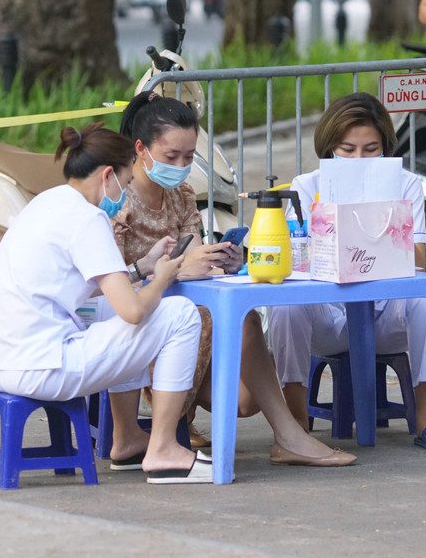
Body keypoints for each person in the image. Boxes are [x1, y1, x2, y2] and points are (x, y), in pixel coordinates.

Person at [108, 91, 356, 468]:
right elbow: (109, 284)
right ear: (140, 149)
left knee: (246, 391)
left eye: (189, 157)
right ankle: (289, 435)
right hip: (141, 323)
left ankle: (283, 435)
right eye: (171, 156)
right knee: (240, 322)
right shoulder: (118, 201)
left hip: (190, 318)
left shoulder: (183, 195)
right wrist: (174, 272)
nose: (180, 165)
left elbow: (193, 255)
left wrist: (220, 260)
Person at [0, 123, 212, 484]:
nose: (126, 191)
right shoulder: (88, 219)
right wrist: (163, 278)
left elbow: (84, 286)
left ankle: (128, 439)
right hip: (43, 367)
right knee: (178, 314)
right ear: (107, 176)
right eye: (126, 182)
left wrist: (141, 269)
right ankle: (163, 447)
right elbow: (132, 311)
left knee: (109, 312)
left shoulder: (46, 202)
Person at [268, 93, 426, 452]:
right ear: (328, 149)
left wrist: (380, 222)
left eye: (371, 149)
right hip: (327, 316)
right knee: (285, 309)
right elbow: (297, 258)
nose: (359, 159)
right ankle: (294, 423)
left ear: (385, 148)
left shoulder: (405, 184)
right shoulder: (306, 186)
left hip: (385, 315)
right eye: (347, 149)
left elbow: (418, 260)